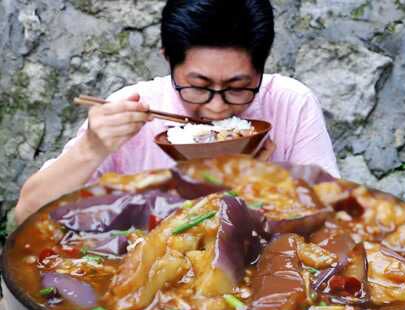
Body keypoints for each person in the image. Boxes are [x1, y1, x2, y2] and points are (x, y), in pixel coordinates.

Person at [15, 0, 339, 224]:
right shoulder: (132, 108)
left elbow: (334, 215)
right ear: (168, 57)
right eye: (198, 86)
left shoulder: (289, 104)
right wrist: (91, 147)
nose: (216, 107)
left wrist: (260, 185)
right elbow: (28, 213)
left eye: (238, 87)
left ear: (262, 67)